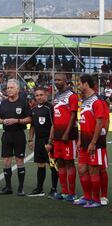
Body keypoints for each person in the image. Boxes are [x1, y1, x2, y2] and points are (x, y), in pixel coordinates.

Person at [73, 74, 107, 208]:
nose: (78, 86)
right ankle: (87, 197)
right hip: (85, 142)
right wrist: (81, 140)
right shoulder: (85, 100)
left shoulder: (97, 101)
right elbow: (83, 122)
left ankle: (96, 200)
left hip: (96, 143)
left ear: (86, 84)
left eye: (79, 84)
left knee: (94, 171)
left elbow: (100, 123)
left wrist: (93, 142)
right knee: (81, 169)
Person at [0, 79, 32, 196]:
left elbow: (30, 119)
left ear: (17, 89)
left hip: (19, 134)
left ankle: (21, 188)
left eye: (11, 87)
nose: (9, 90)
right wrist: (3, 121)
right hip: (7, 135)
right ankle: (8, 187)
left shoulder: (23, 103)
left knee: (19, 160)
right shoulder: (4, 103)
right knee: (6, 161)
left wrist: (17, 120)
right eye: (8, 88)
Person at [46, 72, 78, 201]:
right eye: (55, 80)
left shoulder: (72, 96)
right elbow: (55, 119)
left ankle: (72, 193)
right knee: (60, 162)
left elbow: (73, 115)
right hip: (57, 136)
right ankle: (64, 191)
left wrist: (66, 133)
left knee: (69, 163)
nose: (57, 81)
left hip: (68, 136)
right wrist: (51, 138)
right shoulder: (56, 96)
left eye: (59, 80)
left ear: (66, 81)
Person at [27, 87, 58, 198]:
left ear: (46, 95)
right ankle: (39, 188)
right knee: (40, 165)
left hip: (48, 141)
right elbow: (32, 126)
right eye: (37, 95)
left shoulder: (50, 108)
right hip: (38, 141)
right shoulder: (34, 109)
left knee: (52, 165)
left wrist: (50, 142)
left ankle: (54, 189)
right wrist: (30, 140)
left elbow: (54, 125)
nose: (39, 97)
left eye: (41, 95)